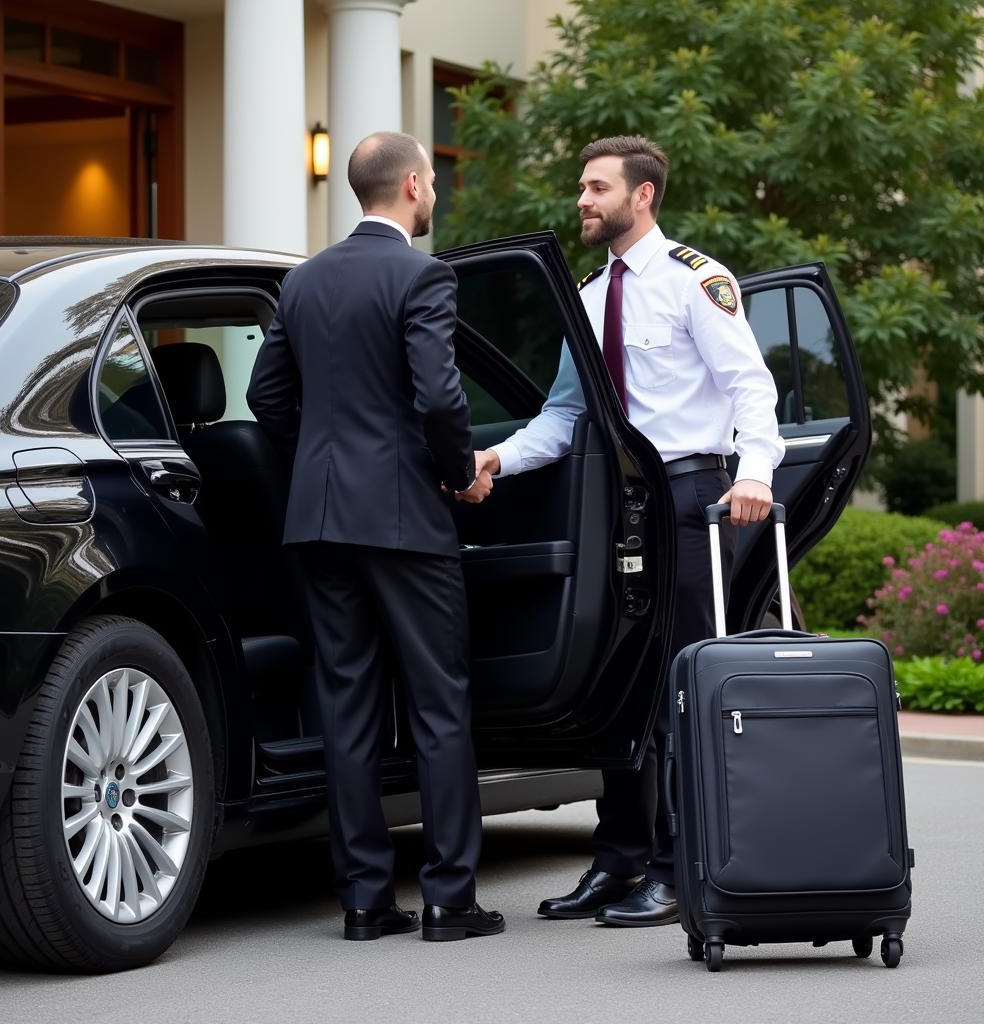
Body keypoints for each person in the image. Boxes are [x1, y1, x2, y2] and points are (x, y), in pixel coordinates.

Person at [467, 135, 784, 927]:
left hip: (687, 494)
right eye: (582, 185)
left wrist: (755, 474)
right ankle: (618, 860)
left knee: (682, 680)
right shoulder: (585, 291)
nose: (583, 198)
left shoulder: (692, 282)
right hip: (617, 505)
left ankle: (679, 870)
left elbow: (751, 385)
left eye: (597, 186)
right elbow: (564, 415)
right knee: (619, 684)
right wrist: (494, 460)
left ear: (642, 197)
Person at [247, 131, 503, 943]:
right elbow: (437, 395)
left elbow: (267, 396)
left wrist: (325, 461)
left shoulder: (304, 279)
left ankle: (363, 901)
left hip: (320, 518)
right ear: (415, 187)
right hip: (403, 517)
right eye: (432, 184)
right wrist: (458, 469)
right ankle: (449, 899)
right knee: (438, 703)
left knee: (347, 706)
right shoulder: (423, 275)